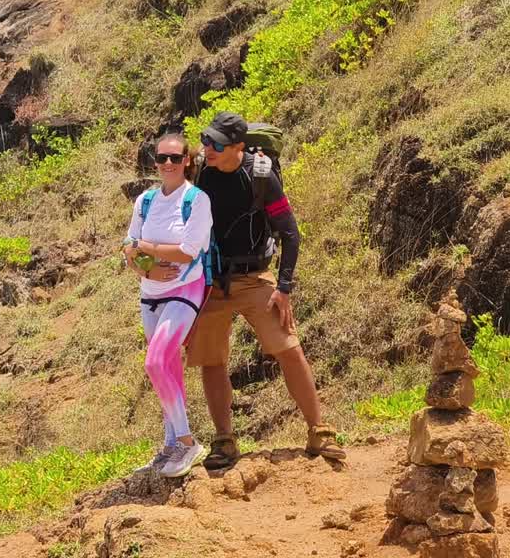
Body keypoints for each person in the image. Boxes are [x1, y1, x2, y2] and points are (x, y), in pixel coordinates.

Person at [188, 111, 345, 470]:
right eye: (205, 140)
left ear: (238, 147)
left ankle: (318, 431)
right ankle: (224, 440)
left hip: (255, 277)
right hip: (212, 281)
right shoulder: (200, 172)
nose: (207, 148)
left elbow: (290, 233)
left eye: (215, 144)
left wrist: (284, 289)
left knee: (289, 348)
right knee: (212, 361)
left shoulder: (261, 176)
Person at [123, 132, 213, 478]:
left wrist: (149, 248)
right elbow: (128, 248)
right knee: (168, 371)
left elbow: (190, 250)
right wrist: (142, 264)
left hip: (184, 291)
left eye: (175, 158)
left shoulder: (196, 200)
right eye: (162, 158)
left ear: (188, 160)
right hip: (150, 294)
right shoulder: (145, 201)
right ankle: (170, 444)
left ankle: (188, 441)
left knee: (156, 361)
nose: (168, 164)